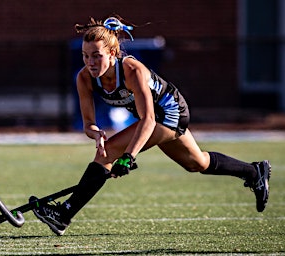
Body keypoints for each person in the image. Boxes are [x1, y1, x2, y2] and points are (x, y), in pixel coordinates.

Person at [31, 16, 271, 236]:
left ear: (113, 53)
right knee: (197, 163)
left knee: (110, 152)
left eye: (97, 56)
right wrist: (95, 134)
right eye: (85, 55)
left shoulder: (132, 71)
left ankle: (63, 214)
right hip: (152, 119)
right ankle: (253, 172)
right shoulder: (84, 78)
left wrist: (128, 156)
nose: (90, 62)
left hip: (171, 112)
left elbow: (148, 120)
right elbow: (88, 123)